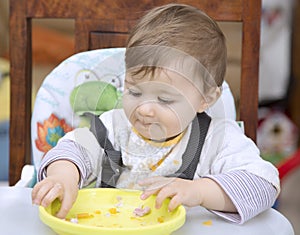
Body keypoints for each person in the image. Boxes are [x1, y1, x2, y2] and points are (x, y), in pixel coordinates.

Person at [32, 3, 280, 224]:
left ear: (205, 98)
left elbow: (264, 184)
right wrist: (62, 176)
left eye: (165, 99)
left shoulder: (217, 139)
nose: (144, 109)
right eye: (134, 92)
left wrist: (200, 191)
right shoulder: (113, 128)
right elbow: (71, 150)